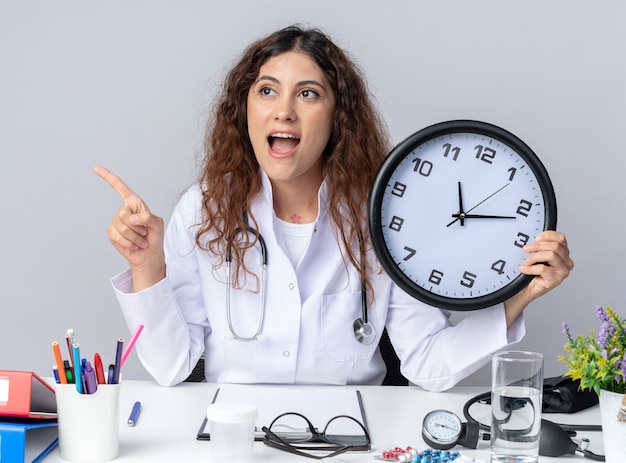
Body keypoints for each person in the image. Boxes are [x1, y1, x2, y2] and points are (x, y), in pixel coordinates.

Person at [94, 25, 573, 391]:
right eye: (266, 90)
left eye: (308, 93)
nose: (284, 110)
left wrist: (521, 295)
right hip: (233, 435)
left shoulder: (383, 216)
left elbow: (427, 363)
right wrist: (146, 266)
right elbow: (172, 367)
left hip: (352, 439)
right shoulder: (203, 210)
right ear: (244, 112)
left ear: (337, 117)